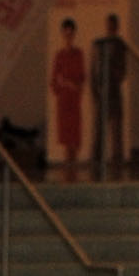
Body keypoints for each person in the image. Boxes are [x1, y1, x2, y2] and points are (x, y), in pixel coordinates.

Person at [90, 11, 128, 178]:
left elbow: (122, 71)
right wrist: (94, 90)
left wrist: (114, 72)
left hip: (114, 91)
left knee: (116, 127)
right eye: (108, 25)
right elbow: (93, 69)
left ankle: (117, 159)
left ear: (116, 26)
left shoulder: (121, 45)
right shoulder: (99, 45)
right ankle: (97, 159)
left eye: (113, 25)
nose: (110, 28)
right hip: (101, 90)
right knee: (99, 127)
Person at [51, 15, 87, 174]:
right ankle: (67, 168)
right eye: (66, 33)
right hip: (63, 100)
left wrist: (74, 85)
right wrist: (62, 85)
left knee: (75, 136)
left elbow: (81, 77)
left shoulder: (78, 54)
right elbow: (53, 80)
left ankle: (74, 166)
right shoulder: (59, 56)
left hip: (74, 99)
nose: (68, 36)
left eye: (71, 33)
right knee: (66, 138)